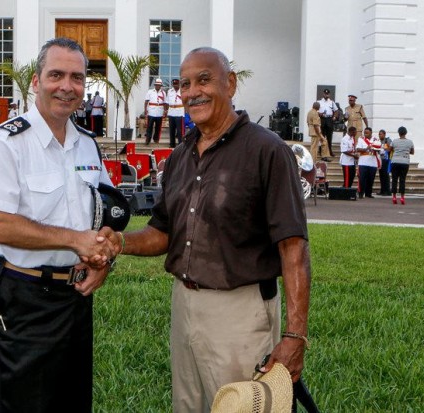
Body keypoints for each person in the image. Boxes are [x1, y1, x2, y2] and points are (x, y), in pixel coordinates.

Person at [101, 47, 311, 413]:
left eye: (203, 80)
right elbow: (164, 232)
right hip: (184, 307)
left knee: (241, 407)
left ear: (230, 84)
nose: (192, 92)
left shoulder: (267, 151)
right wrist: (119, 241)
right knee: (189, 406)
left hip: (240, 313)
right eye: (184, 84)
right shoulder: (181, 156)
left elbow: (293, 247)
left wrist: (295, 336)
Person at [0, 37, 116, 413]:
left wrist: (104, 260)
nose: (67, 86)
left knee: (73, 401)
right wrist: (75, 240)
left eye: (77, 77)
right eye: (56, 75)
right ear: (36, 82)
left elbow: (104, 210)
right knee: (25, 403)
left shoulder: (87, 144)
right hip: (23, 295)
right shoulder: (5, 143)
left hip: (75, 296)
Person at [390, 126, 415, 205]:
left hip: (395, 161)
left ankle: (394, 197)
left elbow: (390, 149)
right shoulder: (410, 142)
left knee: (394, 179)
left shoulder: (394, 141)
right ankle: (402, 197)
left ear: (399, 133)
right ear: (406, 133)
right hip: (405, 162)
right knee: (402, 180)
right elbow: (412, 152)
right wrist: (405, 151)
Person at [356, 127, 381, 199]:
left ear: (371, 133)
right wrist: (366, 148)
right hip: (363, 162)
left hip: (373, 162)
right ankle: (361, 193)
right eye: (364, 133)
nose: (365, 134)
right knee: (362, 178)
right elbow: (358, 149)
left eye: (367, 133)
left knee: (371, 179)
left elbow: (379, 149)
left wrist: (376, 149)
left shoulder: (376, 140)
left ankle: (368, 193)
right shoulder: (361, 139)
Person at [144, 78, 166, 144]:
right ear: (155, 85)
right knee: (149, 126)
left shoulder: (163, 93)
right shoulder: (150, 92)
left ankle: (156, 139)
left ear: (161, 86)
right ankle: (148, 139)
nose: (157, 86)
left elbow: (165, 103)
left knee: (158, 127)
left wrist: (165, 111)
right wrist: (145, 110)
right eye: (156, 85)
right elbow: (146, 101)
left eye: (159, 85)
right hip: (151, 111)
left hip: (159, 112)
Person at [166, 78, 185, 148]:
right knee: (171, 130)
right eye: (174, 84)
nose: (175, 86)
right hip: (171, 112)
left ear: (179, 84)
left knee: (180, 131)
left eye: (176, 84)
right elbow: (167, 102)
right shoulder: (169, 91)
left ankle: (180, 145)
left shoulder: (183, 91)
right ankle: (172, 144)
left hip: (180, 112)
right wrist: (166, 111)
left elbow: (186, 102)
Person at [318, 88, 337, 156]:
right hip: (322, 119)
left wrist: (334, 117)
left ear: (329, 94)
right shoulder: (319, 102)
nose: (326, 95)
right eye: (325, 94)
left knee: (329, 136)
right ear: (323, 94)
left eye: (327, 94)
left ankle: (330, 151)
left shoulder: (331, 102)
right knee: (322, 135)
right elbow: (316, 111)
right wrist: (320, 114)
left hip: (329, 119)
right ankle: (321, 151)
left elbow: (336, 110)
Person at [377, 129, 392, 196]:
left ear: (384, 134)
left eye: (381, 134)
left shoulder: (387, 140)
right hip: (380, 159)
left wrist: (385, 150)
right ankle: (382, 190)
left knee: (386, 175)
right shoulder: (378, 141)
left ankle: (387, 191)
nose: (379, 135)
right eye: (379, 134)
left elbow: (390, 148)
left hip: (386, 159)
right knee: (381, 175)